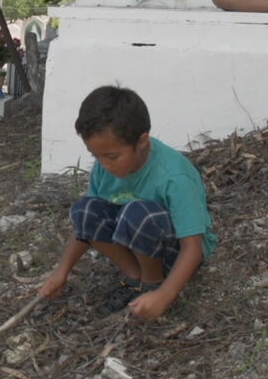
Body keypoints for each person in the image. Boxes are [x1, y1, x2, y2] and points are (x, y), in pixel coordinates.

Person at [39, 86, 216, 320]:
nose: (104, 165)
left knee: (136, 213)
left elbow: (193, 247)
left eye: (112, 156)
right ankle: (135, 279)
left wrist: (165, 295)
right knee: (85, 210)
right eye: (96, 156)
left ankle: (153, 285)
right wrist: (61, 271)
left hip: (177, 252)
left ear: (142, 141)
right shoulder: (105, 167)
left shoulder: (174, 177)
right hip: (135, 240)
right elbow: (87, 225)